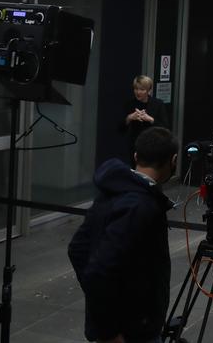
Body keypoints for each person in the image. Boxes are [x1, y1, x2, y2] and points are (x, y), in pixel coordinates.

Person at [68, 127, 178, 343]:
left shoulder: (113, 191)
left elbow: (78, 249)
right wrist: (109, 330)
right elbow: (98, 271)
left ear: (136, 156)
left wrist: (101, 306)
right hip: (134, 328)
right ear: (172, 161)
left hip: (126, 323)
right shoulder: (142, 206)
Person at [121, 75, 169, 166]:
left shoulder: (158, 104)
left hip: (153, 146)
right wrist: (129, 118)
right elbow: (120, 129)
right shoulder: (130, 104)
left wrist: (150, 119)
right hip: (135, 146)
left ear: (148, 91)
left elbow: (165, 128)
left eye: (142, 90)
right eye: (136, 89)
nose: (138, 92)